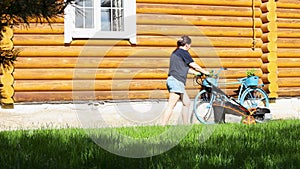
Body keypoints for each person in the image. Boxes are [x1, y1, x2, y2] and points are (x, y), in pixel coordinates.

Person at [162, 35, 209, 125]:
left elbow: (183, 68)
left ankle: (185, 125)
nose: (190, 47)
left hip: (174, 80)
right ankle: (162, 126)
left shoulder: (175, 53)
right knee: (171, 105)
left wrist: (196, 73)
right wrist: (204, 72)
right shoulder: (184, 52)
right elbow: (193, 65)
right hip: (176, 81)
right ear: (187, 45)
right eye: (190, 45)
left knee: (186, 103)